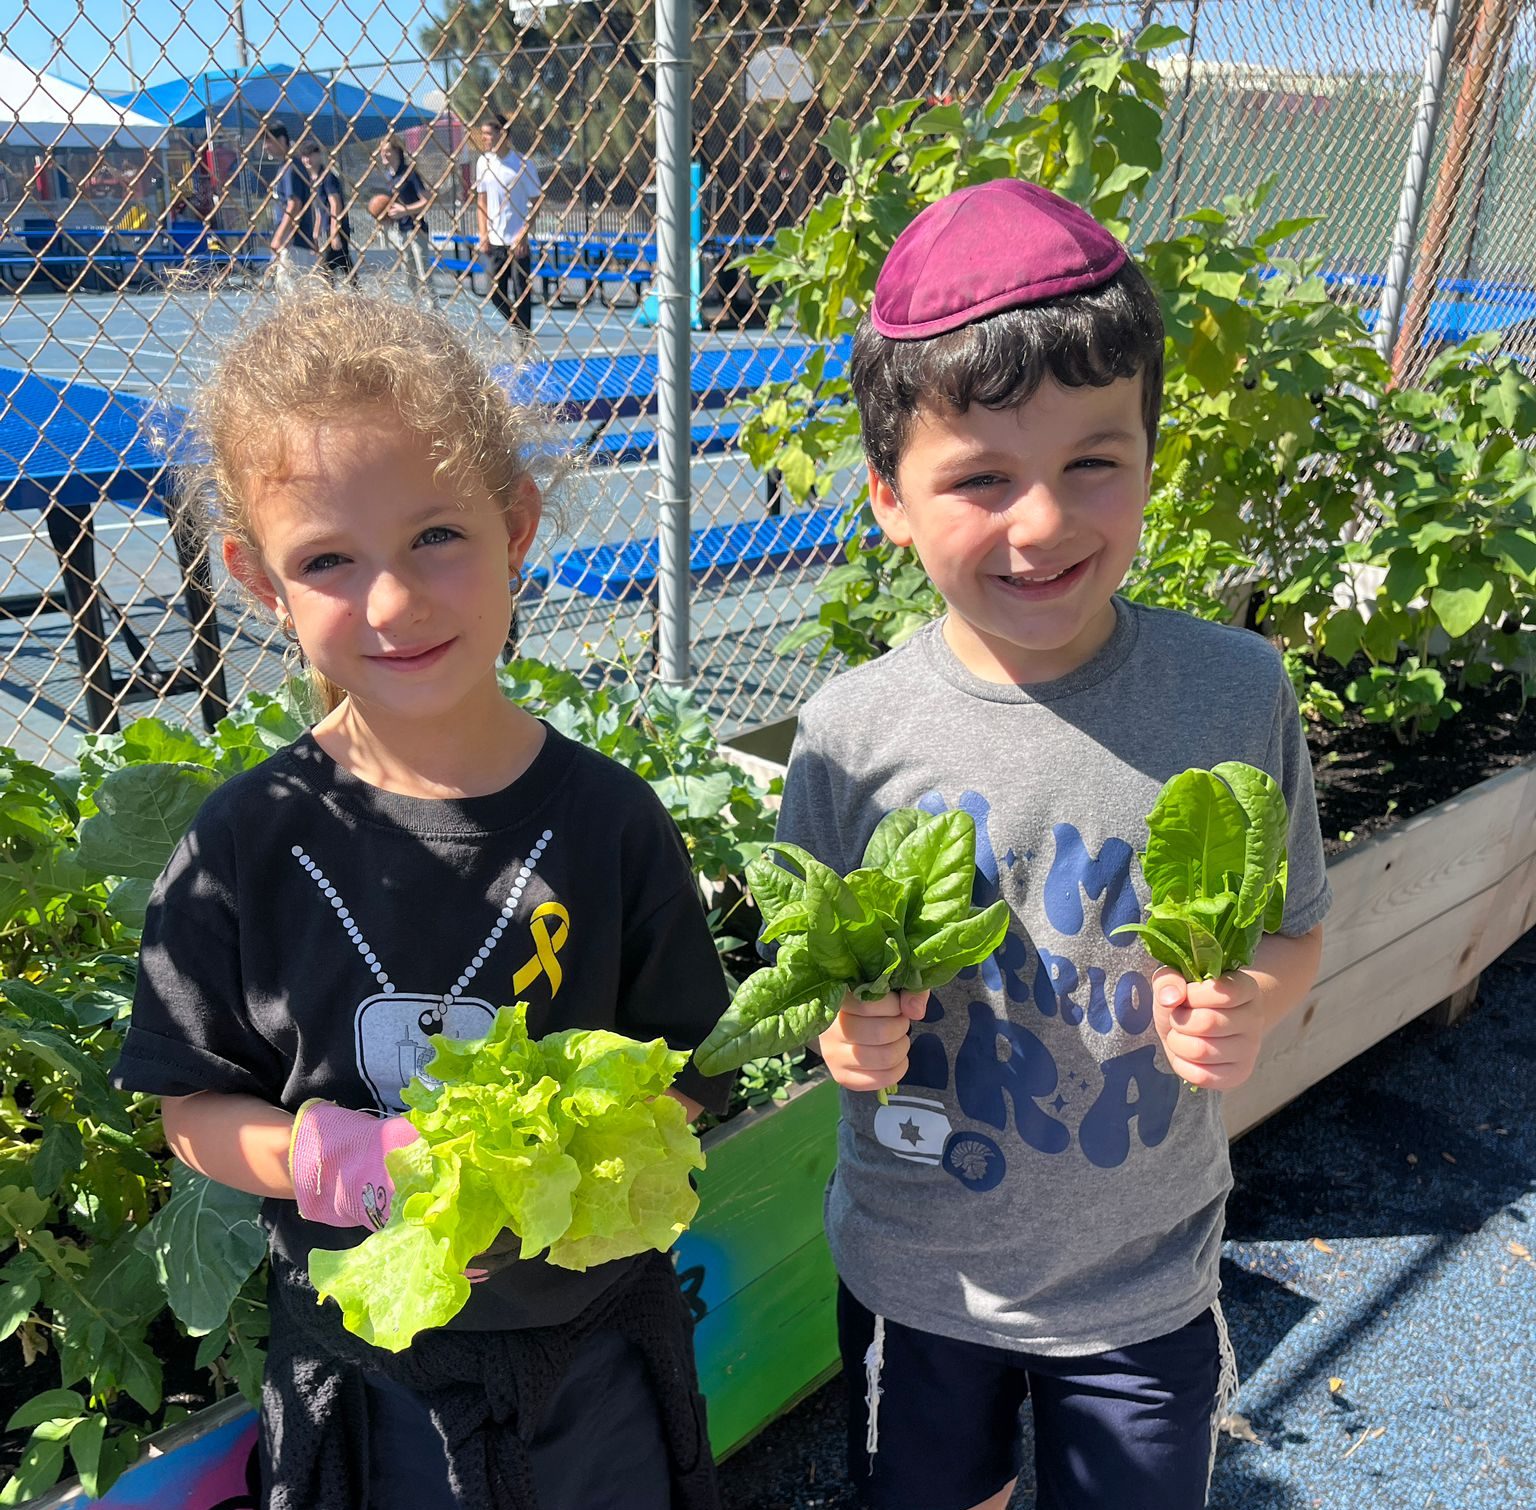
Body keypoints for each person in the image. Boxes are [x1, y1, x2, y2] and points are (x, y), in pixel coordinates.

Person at [111, 288, 731, 1510]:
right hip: (364, 1367)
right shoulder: (245, 841)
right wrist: (311, 1155)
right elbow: (189, 1106)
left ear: (518, 524)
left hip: (593, 1348)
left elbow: (696, 1073)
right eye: (328, 561)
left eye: (437, 535)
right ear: (256, 580)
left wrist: (589, 1141)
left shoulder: (611, 824)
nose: (391, 602)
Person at [773, 179, 1331, 1510]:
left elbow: (1296, 922)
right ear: (889, 499)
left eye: (1095, 461)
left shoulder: (1233, 692)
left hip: (1143, 1267)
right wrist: (838, 1033)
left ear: (1151, 459)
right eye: (980, 477)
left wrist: (1252, 998)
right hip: (924, 1268)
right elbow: (813, 974)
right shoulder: (852, 729)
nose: (1043, 522)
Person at [473, 114, 542, 335]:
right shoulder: (483, 162)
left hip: (517, 241)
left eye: (489, 134)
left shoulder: (522, 164)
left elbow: (537, 200)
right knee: (496, 294)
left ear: (504, 134)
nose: (484, 139)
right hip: (494, 241)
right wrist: (483, 234)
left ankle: (523, 340)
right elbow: (481, 200)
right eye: (483, 134)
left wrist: (523, 233)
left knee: (522, 292)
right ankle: (518, 328)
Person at [378, 134, 435, 297]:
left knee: (424, 273)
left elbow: (427, 200)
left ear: (397, 152)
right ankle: (416, 307)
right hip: (401, 231)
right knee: (408, 275)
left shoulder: (409, 173)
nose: (383, 154)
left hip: (416, 229)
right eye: (382, 151)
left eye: (387, 151)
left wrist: (405, 210)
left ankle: (434, 309)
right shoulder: (390, 177)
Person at [264, 123, 320, 271]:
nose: (265, 146)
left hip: (293, 241)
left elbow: (294, 204)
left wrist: (279, 237)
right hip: (292, 241)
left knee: (290, 288)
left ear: (281, 140)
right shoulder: (285, 166)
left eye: (268, 141)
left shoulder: (291, 168)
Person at [300, 140, 353, 283]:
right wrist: (315, 233)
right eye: (304, 156)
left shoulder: (328, 177)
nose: (307, 159)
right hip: (326, 230)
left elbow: (335, 204)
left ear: (318, 156)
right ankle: (355, 291)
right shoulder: (312, 180)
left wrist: (335, 233)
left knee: (328, 267)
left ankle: (335, 295)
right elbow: (319, 208)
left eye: (311, 155)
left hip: (337, 228)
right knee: (343, 265)